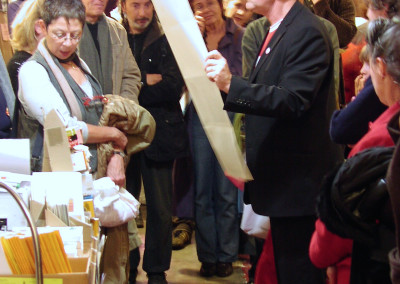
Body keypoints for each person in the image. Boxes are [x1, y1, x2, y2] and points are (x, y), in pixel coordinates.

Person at [204, 0, 343, 283]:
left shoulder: (307, 31)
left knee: (299, 274)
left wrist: (232, 84)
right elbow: (271, 91)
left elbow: (293, 100)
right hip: (284, 185)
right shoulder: (277, 29)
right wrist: (227, 84)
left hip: (299, 188)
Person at [120, 0, 189, 283]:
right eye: (136, 5)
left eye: (148, 4)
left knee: (161, 209)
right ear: (123, 6)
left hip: (162, 135)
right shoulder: (115, 36)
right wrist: (145, 81)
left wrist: (133, 90)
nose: (143, 12)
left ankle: (157, 270)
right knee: (123, 206)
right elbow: (112, 87)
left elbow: (173, 87)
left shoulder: (167, 38)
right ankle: (127, 265)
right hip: (123, 136)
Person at [77, 1, 142, 283]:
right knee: (83, 233)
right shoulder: (66, 29)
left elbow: (131, 77)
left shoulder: (116, 30)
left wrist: (117, 126)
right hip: (79, 145)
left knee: (116, 230)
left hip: (115, 137)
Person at [188, 0, 244, 278]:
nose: (205, 9)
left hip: (231, 115)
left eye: (210, 2)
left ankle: (227, 255)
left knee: (226, 188)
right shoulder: (191, 37)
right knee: (202, 188)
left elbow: (246, 78)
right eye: (198, 5)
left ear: (221, 5)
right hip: (199, 114)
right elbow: (182, 78)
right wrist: (193, 38)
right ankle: (208, 255)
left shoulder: (241, 35)